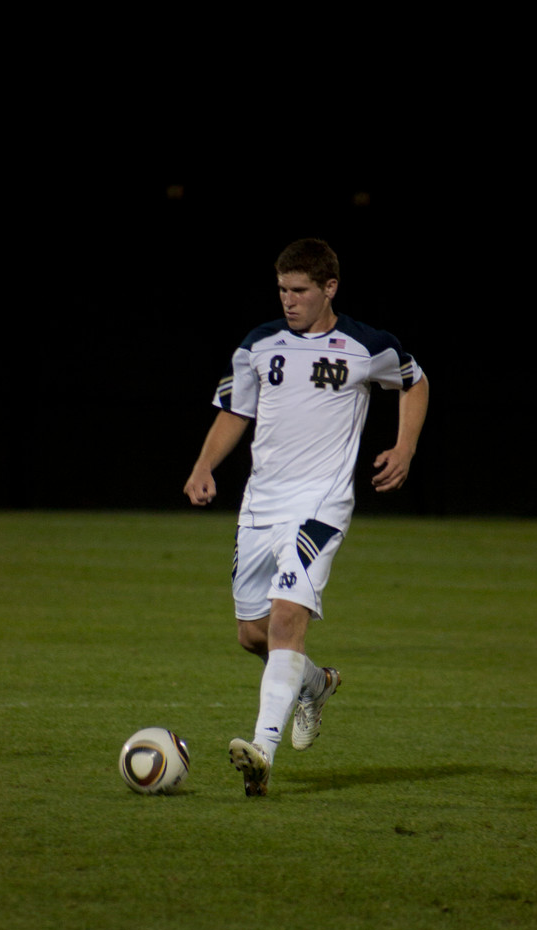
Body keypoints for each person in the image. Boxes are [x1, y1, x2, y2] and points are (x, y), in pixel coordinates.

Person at [184, 238, 428, 796]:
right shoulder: (258, 345)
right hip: (260, 506)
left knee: (287, 620)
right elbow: (234, 411)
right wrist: (203, 465)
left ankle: (260, 753)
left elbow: (416, 381)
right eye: (282, 290)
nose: (289, 300)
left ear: (329, 288)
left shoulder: (366, 346)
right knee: (253, 635)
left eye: (300, 290)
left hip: (320, 505)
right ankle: (315, 684)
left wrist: (405, 447)